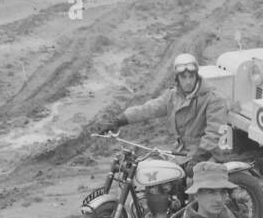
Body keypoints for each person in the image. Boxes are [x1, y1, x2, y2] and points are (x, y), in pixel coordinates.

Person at [93, 53, 229, 163]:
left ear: (197, 76)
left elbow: (215, 132)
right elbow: (149, 109)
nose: (188, 81)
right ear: (177, 78)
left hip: (207, 154)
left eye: (191, 76)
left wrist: (199, 156)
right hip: (182, 152)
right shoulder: (173, 96)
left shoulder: (213, 99)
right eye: (183, 77)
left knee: (194, 189)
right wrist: (120, 120)